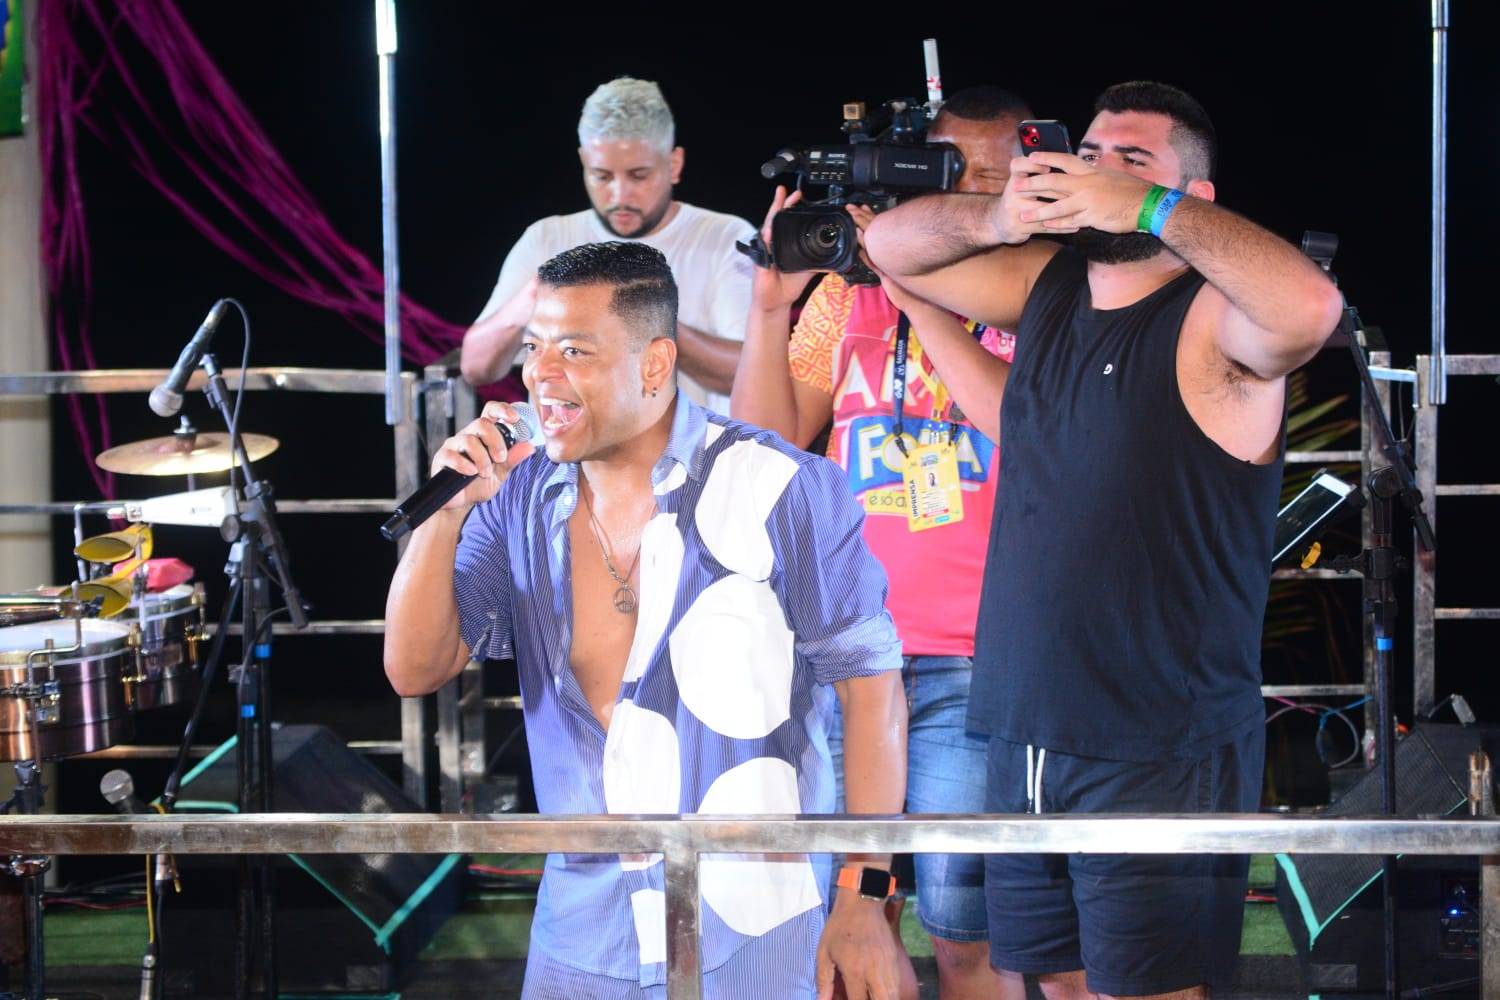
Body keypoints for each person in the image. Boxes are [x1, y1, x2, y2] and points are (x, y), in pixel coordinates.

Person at [864, 81, 1343, 998]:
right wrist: (1004, 212)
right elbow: (891, 248)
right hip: (1023, 724)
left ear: (1190, 198)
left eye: (1135, 159)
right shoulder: (1045, 287)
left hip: (1155, 741)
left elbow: (1309, 311)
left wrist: (1149, 211)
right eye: (1092, 152)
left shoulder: (1213, 313)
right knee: (1053, 982)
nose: (1100, 171)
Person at [386, 241, 909, 999]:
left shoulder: (781, 487)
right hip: (583, 926)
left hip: (752, 922)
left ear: (655, 364)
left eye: (574, 351)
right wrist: (445, 513)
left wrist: (864, 895)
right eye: (534, 349)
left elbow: (873, 693)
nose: (541, 376)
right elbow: (415, 668)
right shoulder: (517, 499)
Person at [731, 85, 1033, 1000]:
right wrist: (769, 308)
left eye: (997, 178)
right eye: (954, 175)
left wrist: (924, 295)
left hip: (975, 657)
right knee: (850, 919)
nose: (976, 197)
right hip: (847, 655)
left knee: (963, 934)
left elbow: (1037, 436)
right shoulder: (846, 303)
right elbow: (765, 450)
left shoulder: (1045, 295)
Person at [460, 77, 754, 414]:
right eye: (602, 176)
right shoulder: (546, 239)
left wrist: (643, 316)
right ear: (584, 162)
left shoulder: (724, 238)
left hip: (688, 463)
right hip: (564, 464)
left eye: (639, 175)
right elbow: (476, 367)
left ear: (673, 165)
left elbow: (747, 373)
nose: (619, 195)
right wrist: (532, 296)